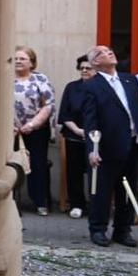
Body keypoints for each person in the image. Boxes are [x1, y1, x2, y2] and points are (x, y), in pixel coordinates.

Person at [71, 45, 138, 246]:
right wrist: (92, 149)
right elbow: (90, 120)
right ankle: (98, 229)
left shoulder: (129, 80)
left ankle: (122, 230)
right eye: (102, 53)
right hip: (106, 146)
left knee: (127, 190)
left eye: (109, 50)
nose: (109, 52)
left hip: (132, 144)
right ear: (95, 63)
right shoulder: (92, 85)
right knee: (101, 190)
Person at [11, 47, 55, 216]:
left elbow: (48, 105)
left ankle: (40, 202)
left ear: (32, 63)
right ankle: (13, 202)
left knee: (38, 165)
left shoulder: (40, 79)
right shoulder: (6, 78)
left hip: (36, 130)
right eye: (15, 58)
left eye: (22, 58)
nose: (18, 61)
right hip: (12, 131)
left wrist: (33, 124)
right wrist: (10, 126)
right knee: (13, 165)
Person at [56, 55, 96, 219]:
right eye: (82, 68)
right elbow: (64, 114)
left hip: (96, 138)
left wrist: (91, 133)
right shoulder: (71, 87)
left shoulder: (101, 87)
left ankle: (96, 206)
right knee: (74, 171)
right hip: (74, 135)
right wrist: (78, 130)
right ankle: (76, 204)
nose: (85, 71)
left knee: (96, 173)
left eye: (88, 68)